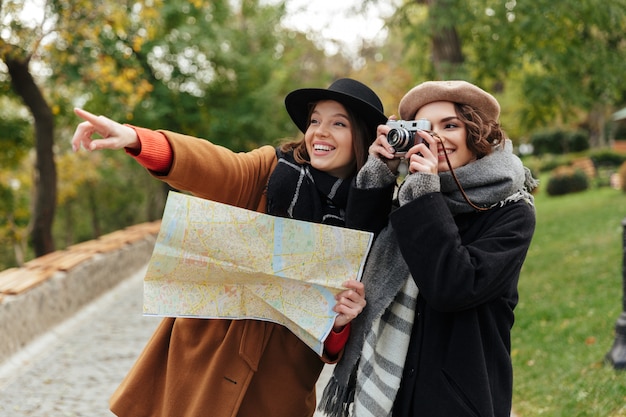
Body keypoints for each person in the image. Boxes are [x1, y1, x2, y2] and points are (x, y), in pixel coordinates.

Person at [70, 78, 388, 417]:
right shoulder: (270, 170)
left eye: (338, 123)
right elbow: (212, 168)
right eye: (315, 120)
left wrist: (340, 322)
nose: (320, 132)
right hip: (201, 367)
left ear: (365, 138)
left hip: (278, 392)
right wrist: (138, 140)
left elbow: (334, 348)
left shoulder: (373, 219)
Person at [319, 80, 538, 417]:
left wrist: (424, 192)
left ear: (477, 134)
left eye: (450, 125)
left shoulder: (510, 209)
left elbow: (455, 285)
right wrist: (379, 173)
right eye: (424, 128)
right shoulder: (408, 200)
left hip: (458, 395)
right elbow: (359, 250)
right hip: (389, 393)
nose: (436, 137)